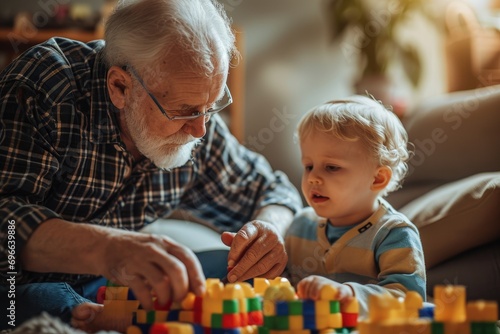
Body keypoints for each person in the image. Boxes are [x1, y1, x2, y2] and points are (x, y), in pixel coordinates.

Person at [0, 0, 302, 331]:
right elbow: (7, 224)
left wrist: (269, 229)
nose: (200, 129)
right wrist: (109, 249)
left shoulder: (198, 119)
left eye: (212, 105)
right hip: (21, 287)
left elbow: (273, 190)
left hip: (115, 286)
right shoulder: (47, 86)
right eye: (185, 110)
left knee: (240, 275)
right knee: (43, 302)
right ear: (120, 87)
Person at [285, 96, 426, 316]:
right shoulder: (299, 226)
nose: (312, 178)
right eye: (309, 166)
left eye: (331, 167)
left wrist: (347, 294)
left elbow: (408, 300)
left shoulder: (393, 234)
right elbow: (280, 288)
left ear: (378, 179)